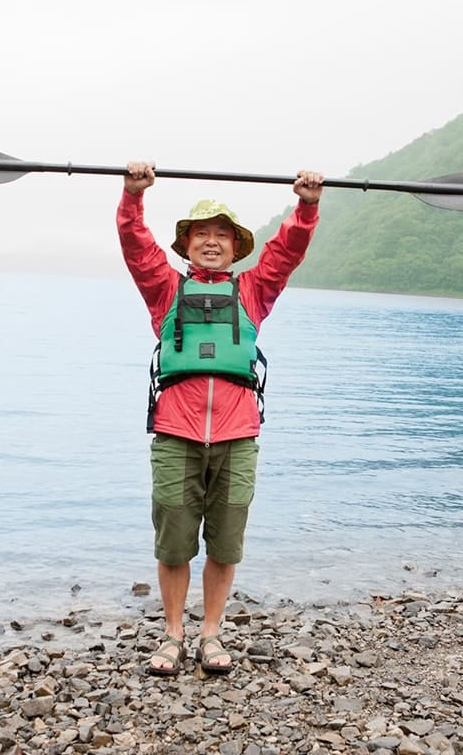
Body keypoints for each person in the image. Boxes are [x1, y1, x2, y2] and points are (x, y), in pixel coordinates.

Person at [118, 160, 324, 676]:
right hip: (175, 435)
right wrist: (133, 196)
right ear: (187, 246)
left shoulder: (252, 293)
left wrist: (307, 206)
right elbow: (136, 247)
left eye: (222, 236)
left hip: (237, 437)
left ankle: (210, 632)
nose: (212, 242)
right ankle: (172, 635)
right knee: (173, 543)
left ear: (236, 247)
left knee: (225, 544)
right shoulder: (165, 290)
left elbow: (286, 254)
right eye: (201, 235)